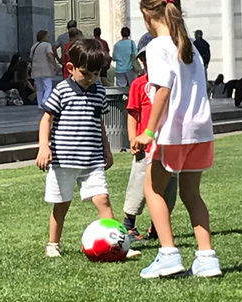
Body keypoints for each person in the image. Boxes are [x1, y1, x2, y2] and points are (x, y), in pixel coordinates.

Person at [131, 0, 221, 279]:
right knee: (192, 193)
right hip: (200, 130)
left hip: (173, 131)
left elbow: (163, 91)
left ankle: (168, 253)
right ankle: (207, 258)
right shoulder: (190, 46)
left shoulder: (157, 47)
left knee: (153, 189)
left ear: (147, 14)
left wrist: (148, 132)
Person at [36, 37, 128, 258]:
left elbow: (99, 122)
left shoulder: (99, 92)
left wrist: (107, 150)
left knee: (103, 199)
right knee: (62, 204)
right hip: (64, 160)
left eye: (95, 74)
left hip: (92, 160)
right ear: (71, 68)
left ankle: (116, 242)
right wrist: (44, 147)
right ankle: (53, 243)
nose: (90, 79)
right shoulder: (61, 91)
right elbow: (46, 119)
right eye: (85, 73)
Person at [122, 44, 177, 241]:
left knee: (169, 187)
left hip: (168, 142)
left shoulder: (172, 83)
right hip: (145, 144)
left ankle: (157, 226)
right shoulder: (139, 84)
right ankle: (129, 225)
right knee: (138, 184)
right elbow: (132, 113)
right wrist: (132, 138)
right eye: (144, 60)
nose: (147, 63)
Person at [29, 31, 59, 107]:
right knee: (48, 87)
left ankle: (40, 104)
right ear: (44, 37)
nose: (48, 38)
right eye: (47, 36)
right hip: (45, 69)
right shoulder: (47, 45)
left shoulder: (34, 46)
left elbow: (31, 57)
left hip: (35, 69)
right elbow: (49, 55)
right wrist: (55, 65)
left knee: (39, 89)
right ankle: (45, 101)